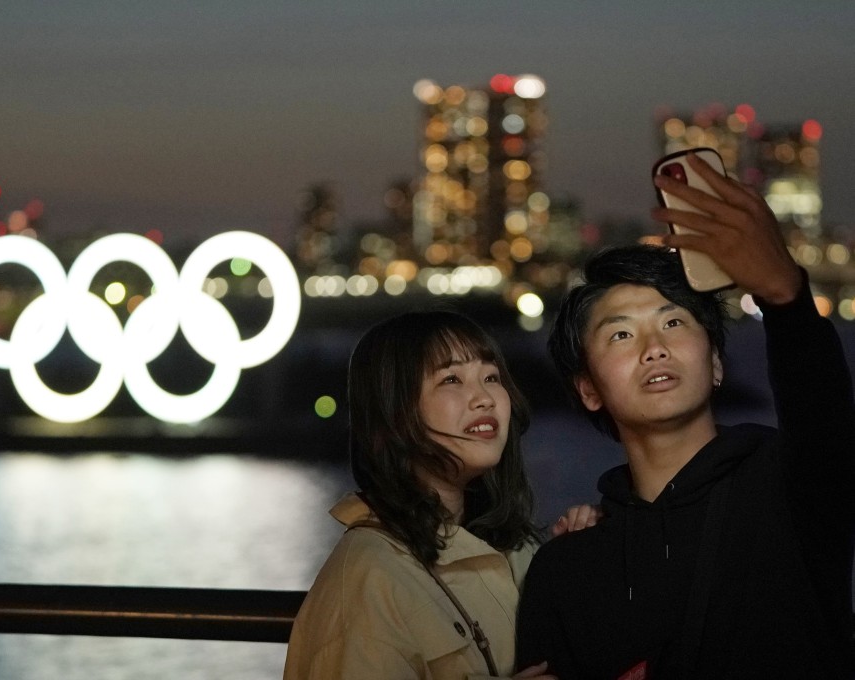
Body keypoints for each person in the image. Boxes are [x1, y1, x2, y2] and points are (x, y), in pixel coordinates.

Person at [516, 151, 855, 678]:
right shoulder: (568, 568)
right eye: (621, 334)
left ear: (717, 363)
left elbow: (825, 414)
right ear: (588, 389)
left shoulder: (791, 488)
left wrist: (785, 295)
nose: (653, 347)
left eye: (674, 323)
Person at [284, 310, 567, 679]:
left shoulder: (511, 546)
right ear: (394, 413)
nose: (484, 398)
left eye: (491, 376)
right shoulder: (368, 580)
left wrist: (579, 556)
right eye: (451, 379)